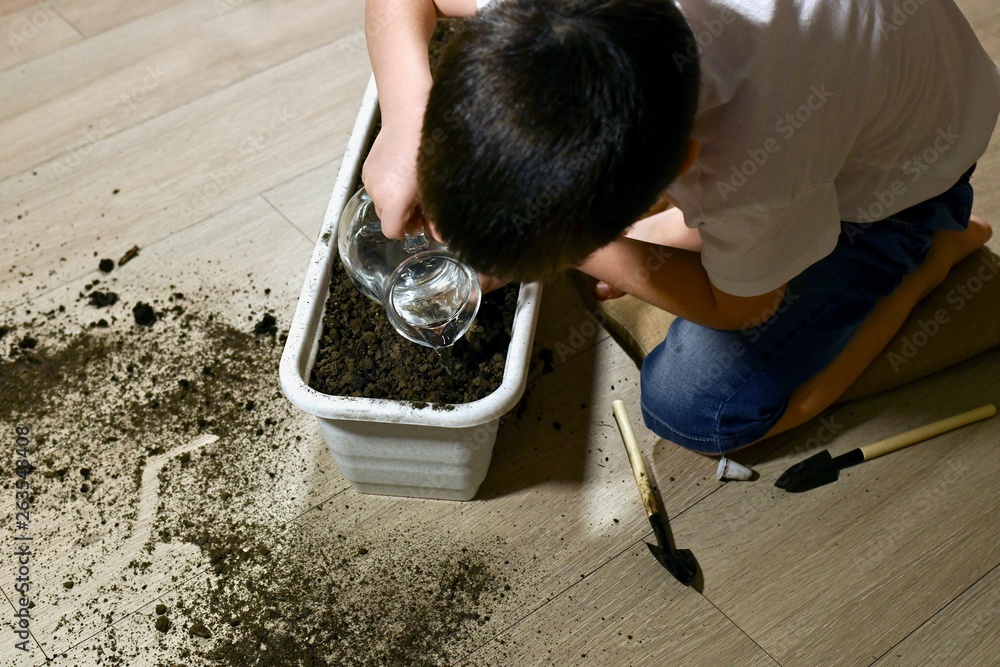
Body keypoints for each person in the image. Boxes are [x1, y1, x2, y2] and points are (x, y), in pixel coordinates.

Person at [361, 0, 999, 455]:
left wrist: (572, 250)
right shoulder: (569, 19)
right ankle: (712, 246)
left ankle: (926, 259)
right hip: (869, 92)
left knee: (696, 411)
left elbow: (742, 309)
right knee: (665, 262)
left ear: (686, 170)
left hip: (896, 191)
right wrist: (404, 111)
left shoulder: (757, 161)